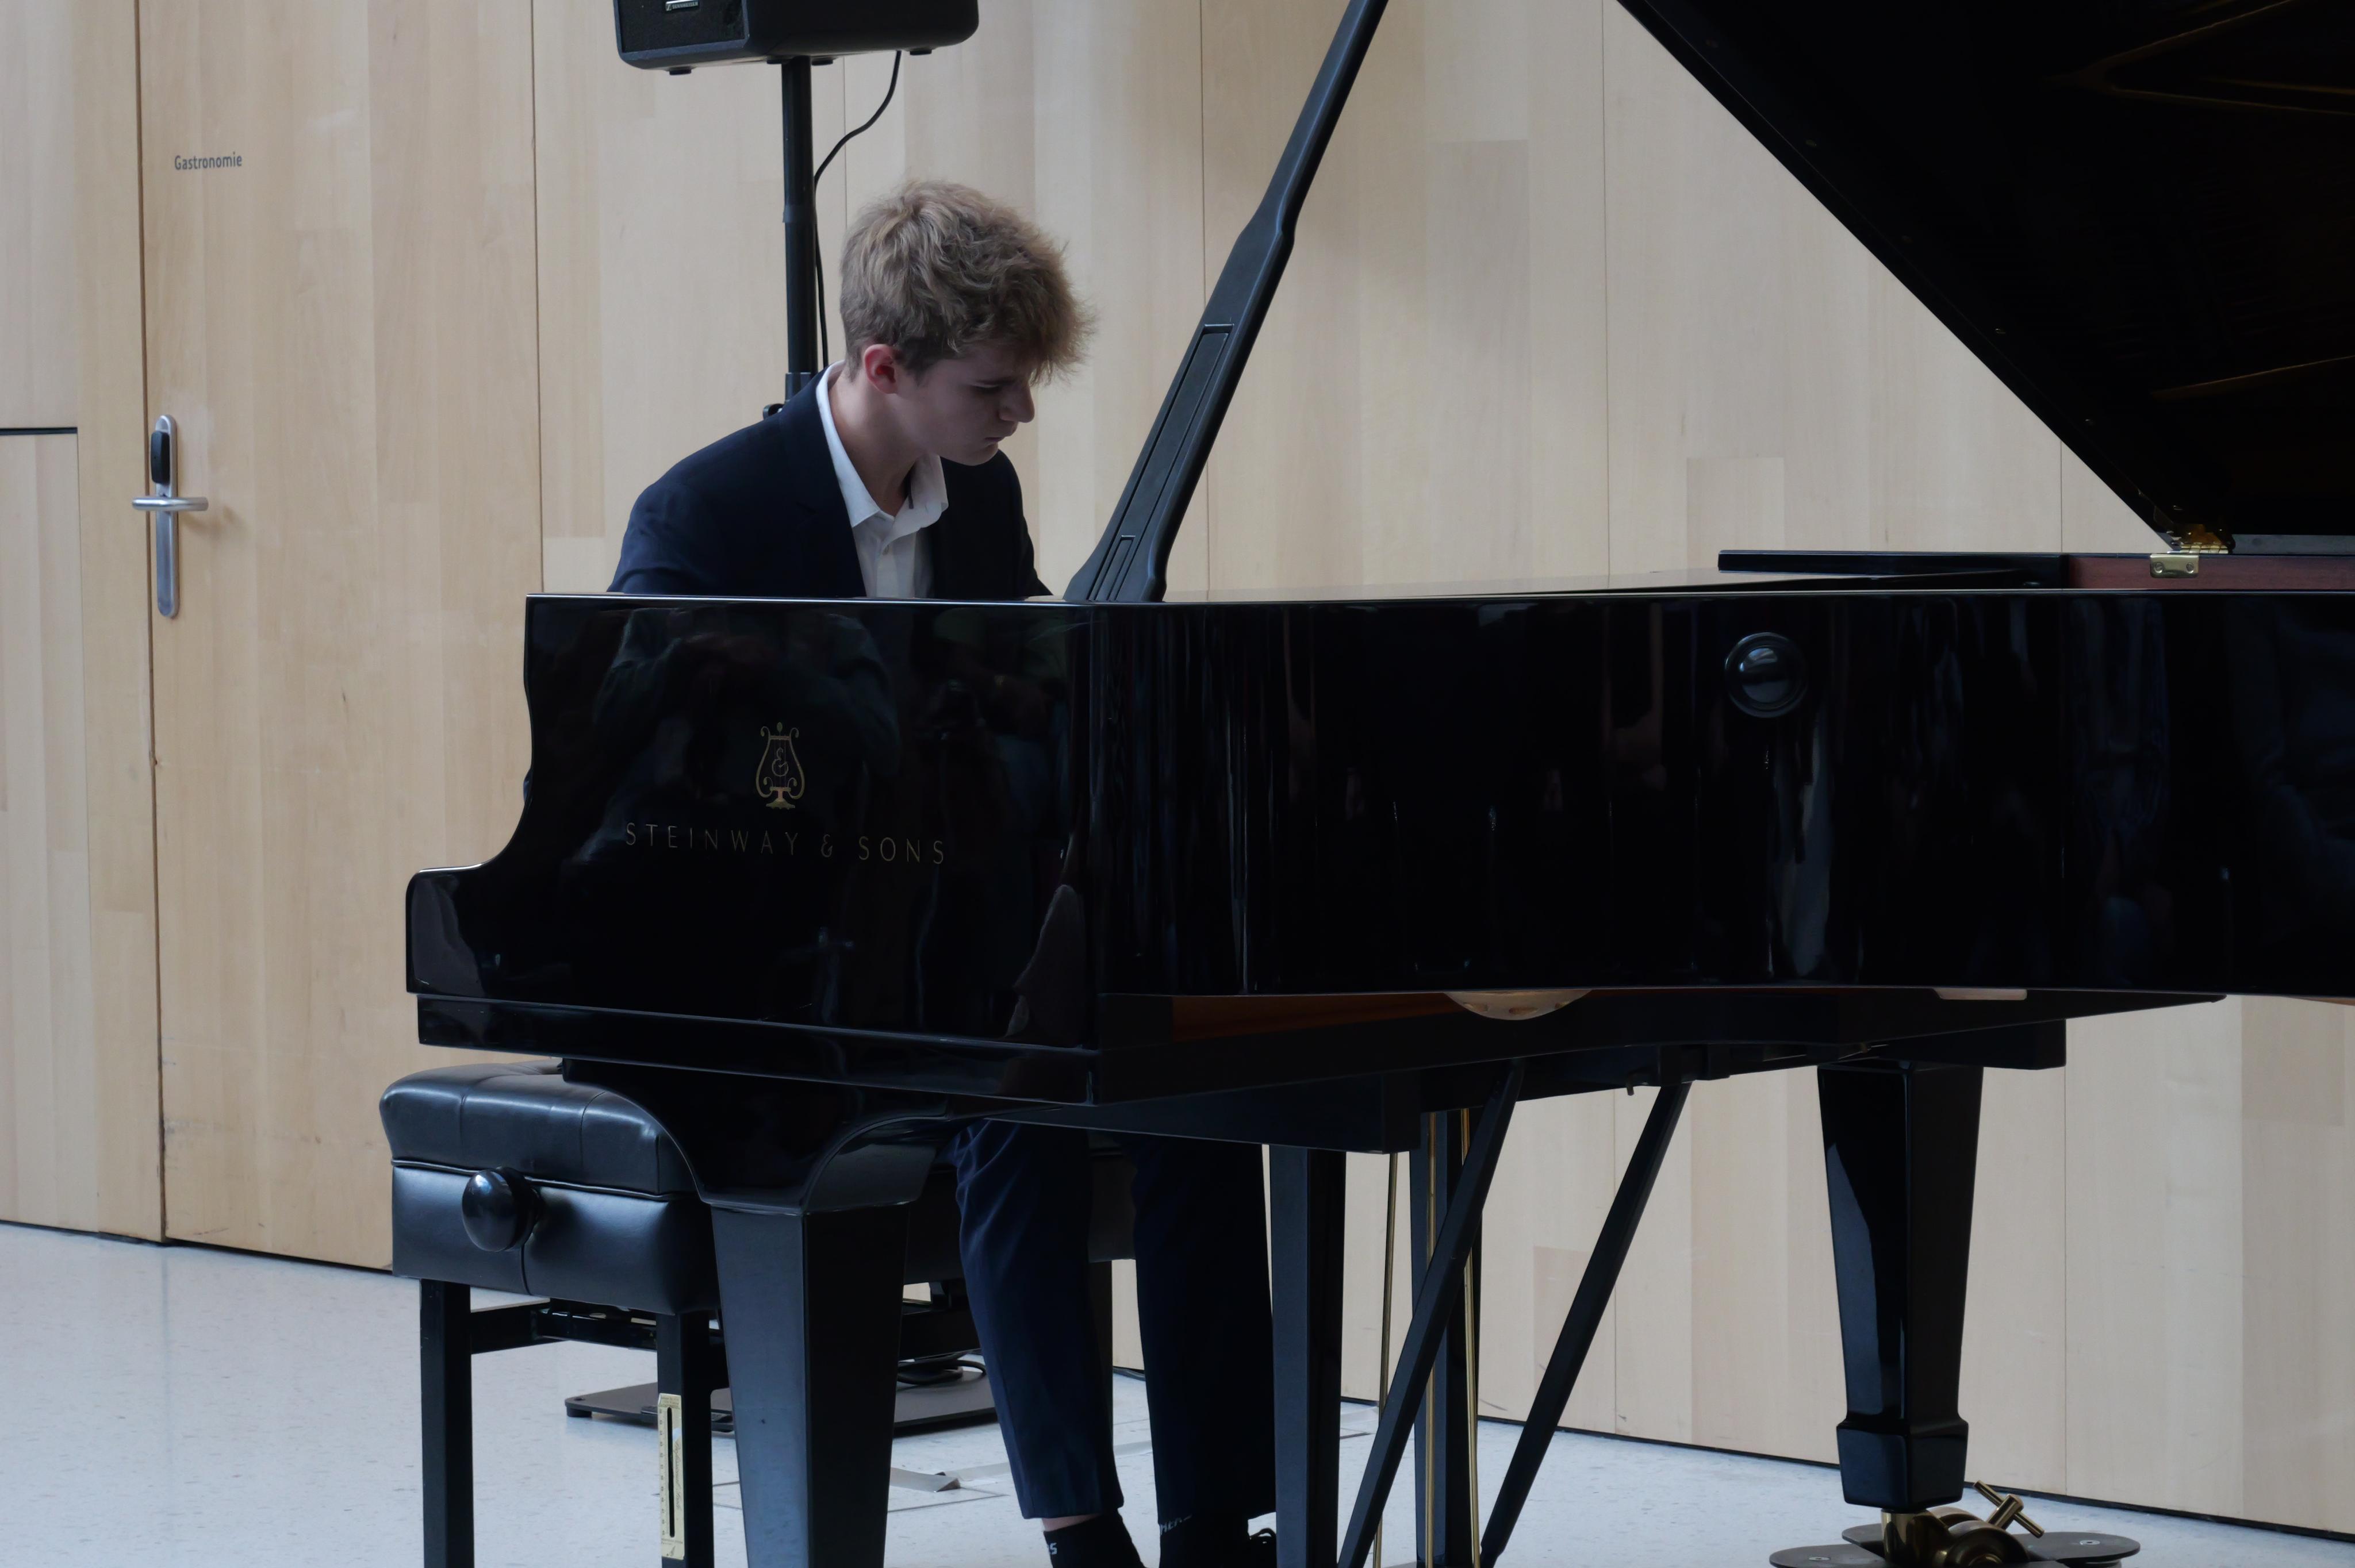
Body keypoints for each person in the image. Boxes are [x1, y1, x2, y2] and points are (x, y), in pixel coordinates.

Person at [610, 180, 1277, 1568]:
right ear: (882, 368)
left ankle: (1216, 1523)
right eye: (991, 387)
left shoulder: (977, 494)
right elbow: (648, 783)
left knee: (1200, 1091)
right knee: (1007, 1099)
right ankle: (1080, 1530)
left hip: (942, 937)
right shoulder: (705, 511)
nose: (1019, 412)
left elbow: (1005, 716)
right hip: (771, 970)